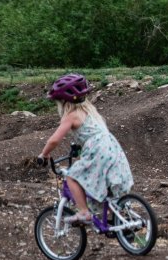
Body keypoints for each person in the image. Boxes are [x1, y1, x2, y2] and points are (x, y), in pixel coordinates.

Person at [37, 73, 133, 225]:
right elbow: (91, 133)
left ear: (64, 101)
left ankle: (83, 212)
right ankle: (118, 219)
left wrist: (44, 154)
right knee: (102, 184)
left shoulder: (71, 115)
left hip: (97, 149)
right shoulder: (91, 111)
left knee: (72, 177)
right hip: (112, 147)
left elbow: (54, 139)